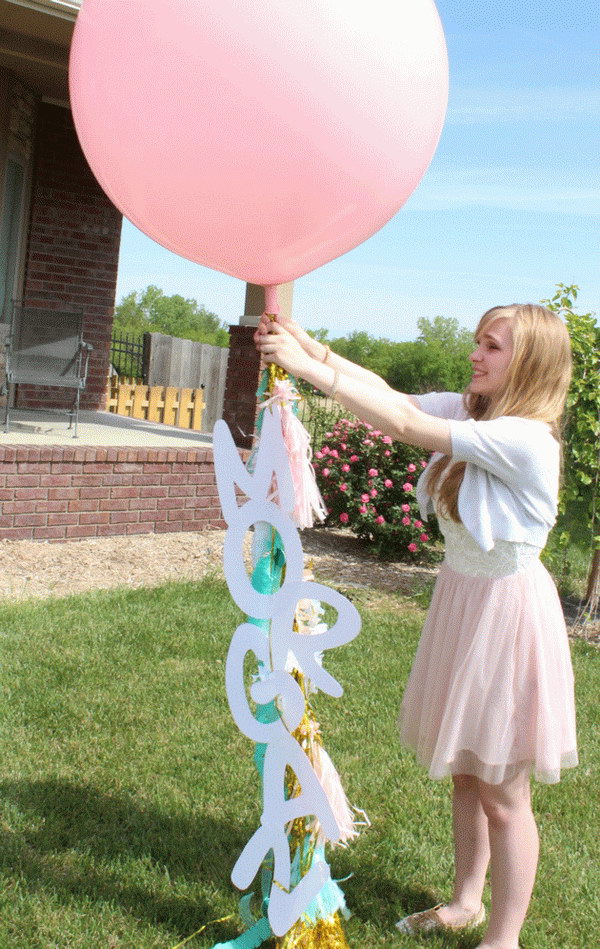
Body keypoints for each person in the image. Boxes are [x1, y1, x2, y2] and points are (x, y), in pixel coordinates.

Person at [254, 303, 577, 949]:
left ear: (529, 362)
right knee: (465, 771)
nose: (474, 355)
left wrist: (300, 365)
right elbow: (391, 393)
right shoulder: (476, 410)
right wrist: (310, 347)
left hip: (507, 616)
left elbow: (402, 422)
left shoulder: (525, 437)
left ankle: (504, 937)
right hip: (465, 600)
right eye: (478, 342)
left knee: (504, 792)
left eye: (491, 346)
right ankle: (463, 901)